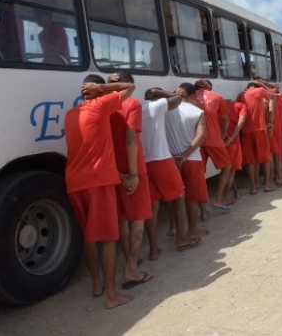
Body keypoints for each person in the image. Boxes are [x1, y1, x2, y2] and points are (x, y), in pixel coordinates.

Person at [63, 74, 135, 309]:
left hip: (74, 181)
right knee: (108, 238)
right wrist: (102, 87)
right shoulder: (100, 104)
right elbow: (130, 86)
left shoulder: (70, 114)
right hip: (98, 182)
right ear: (96, 91)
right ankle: (112, 296)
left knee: (89, 235)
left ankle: (97, 283)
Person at [142, 87, 200, 261]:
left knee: (153, 206)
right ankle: (181, 239)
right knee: (179, 196)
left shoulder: (136, 107)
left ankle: (153, 249)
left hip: (144, 162)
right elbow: (177, 99)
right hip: (162, 159)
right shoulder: (157, 107)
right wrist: (162, 92)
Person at [108, 72, 153, 291]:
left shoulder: (101, 105)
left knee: (123, 218)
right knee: (138, 218)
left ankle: (128, 259)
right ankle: (131, 268)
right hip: (133, 168)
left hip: (112, 171)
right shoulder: (132, 102)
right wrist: (132, 174)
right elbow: (130, 137)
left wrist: (117, 173)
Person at [165, 83, 210, 238]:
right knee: (192, 197)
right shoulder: (197, 112)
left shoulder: (166, 110)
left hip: (170, 159)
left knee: (173, 197)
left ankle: (173, 228)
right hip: (191, 159)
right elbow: (201, 136)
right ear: (192, 96)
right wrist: (184, 155)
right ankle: (192, 230)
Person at [194, 79, 232, 212]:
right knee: (226, 166)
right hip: (214, 139)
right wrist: (222, 134)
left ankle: (202, 208)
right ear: (209, 87)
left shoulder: (189, 96)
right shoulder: (217, 97)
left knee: (199, 174)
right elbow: (225, 120)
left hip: (195, 142)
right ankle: (218, 200)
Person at [239, 79, 274, 194]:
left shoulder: (242, 95)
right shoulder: (260, 90)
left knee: (251, 161)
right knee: (266, 159)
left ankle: (253, 187)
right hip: (259, 129)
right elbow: (273, 95)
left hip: (246, 131)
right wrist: (262, 84)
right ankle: (267, 185)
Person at [224, 95, 247, 204]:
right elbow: (241, 122)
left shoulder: (222, 104)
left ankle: (235, 192)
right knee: (231, 171)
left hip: (220, 140)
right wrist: (231, 138)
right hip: (232, 142)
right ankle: (226, 197)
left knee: (225, 170)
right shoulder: (241, 105)